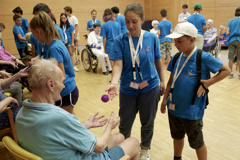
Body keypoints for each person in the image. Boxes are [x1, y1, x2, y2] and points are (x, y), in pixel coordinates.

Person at [15, 58, 140, 160]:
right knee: (133, 142)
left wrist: (86, 124)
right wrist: (109, 126)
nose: (64, 86)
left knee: (119, 137)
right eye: (62, 81)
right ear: (51, 84)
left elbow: (57, 135)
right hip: (91, 156)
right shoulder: (59, 116)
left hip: (59, 154)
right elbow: (100, 146)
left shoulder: (21, 114)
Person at [160, 22, 230, 160]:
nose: (176, 44)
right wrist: (164, 100)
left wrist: (208, 83)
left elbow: (226, 71)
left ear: (191, 39)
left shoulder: (203, 57)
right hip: (174, 108)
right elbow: (171, 81)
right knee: (177, 136)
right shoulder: (176, 58)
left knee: (197, 142)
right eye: (175, 41)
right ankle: (177, 158)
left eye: (180, 41)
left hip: (192, 111)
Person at [106, 3, 165, 160]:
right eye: (127, 21)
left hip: (150, 88)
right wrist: (113, 83)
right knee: (125, 124)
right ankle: (123, 150)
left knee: (148, 123)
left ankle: (145, 148)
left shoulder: (152, 38)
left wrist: (162, 80)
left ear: (142, 20)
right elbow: (118, 65)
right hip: (128, 90)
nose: (130, 26)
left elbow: (158, 60)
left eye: (134, 21)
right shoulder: (120, 41)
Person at [30, 11, 78, 114]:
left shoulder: (54, 48)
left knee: (68, 124)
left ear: (38, 31)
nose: (34, 37)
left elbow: (61, 76)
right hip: (67, 90)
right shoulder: (54, 43)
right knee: (68, 123)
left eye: (33, 34)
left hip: (66, 92)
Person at [64, 6, 80, 71]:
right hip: (70, 36)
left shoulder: (73, 18)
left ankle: (77, 61)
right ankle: (71, 64)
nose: (65, 12)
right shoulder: (67, 18)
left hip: (75, 35)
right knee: (71, 51)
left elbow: (77, 27)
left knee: (75, 49)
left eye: (65, 11)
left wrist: (75, 36)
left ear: (69, 11)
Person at [227, 7, 240, 79]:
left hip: (232, 40)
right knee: (239, 58)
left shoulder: (230, 21)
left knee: (230, 58)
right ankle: (239, 74)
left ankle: (230, 73)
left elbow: (227, 32)